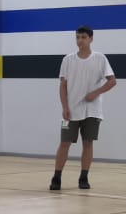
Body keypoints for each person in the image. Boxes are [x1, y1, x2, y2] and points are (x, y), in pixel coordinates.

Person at [50, 26, 116, 191]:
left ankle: (84, 177)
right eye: (77, 37)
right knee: (64, 143)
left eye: (83, 37)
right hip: (70, 111)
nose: (80, 40)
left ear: (91, 39)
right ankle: (56, 177)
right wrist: (64, 106)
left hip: (92, 111)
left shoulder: (100, 58)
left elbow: (112, 81)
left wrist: (96, 93)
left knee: (88, 143)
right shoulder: (68, 59)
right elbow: (63, 85)